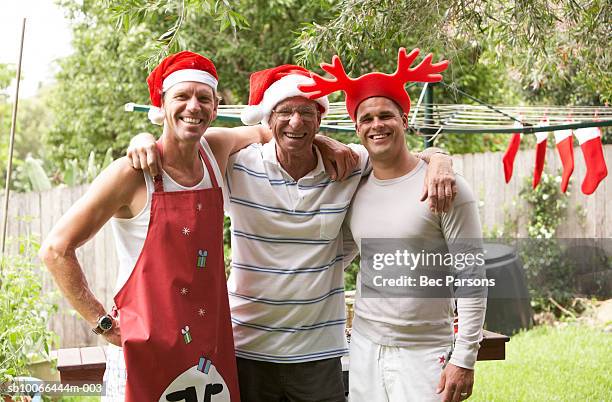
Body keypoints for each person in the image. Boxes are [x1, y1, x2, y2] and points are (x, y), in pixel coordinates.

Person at [127, 63, 457, 401]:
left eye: (306, 112)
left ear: (320, 119)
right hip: (247, 348)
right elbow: (180, 144)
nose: (296, 121)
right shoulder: (237, 164)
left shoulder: (348, 165)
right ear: (268, 120)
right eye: (285, 112)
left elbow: (406, 158)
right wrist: (142, 139)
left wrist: (440, 160)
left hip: (318, 353)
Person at [39, 51, 283, 402]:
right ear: (162, 106)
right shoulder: (131, 175)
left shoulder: (215, 150)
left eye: (203, 98)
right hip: (144, 352)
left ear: (215, 107)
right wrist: (102, 323)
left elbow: (267, 131)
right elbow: (55, 250)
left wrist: (327, 143)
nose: (194, 107)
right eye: (182, 96)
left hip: (207, 350)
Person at [300, 48, 487, 402]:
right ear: (357, 127)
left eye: (386, 115)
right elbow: (337, 255)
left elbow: (472, 276)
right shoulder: (354, 185)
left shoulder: (446, 187)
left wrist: (464, 358)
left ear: (405, 119)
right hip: (366, 346)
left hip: (426, 350)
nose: (376, 125)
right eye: (366, 118)